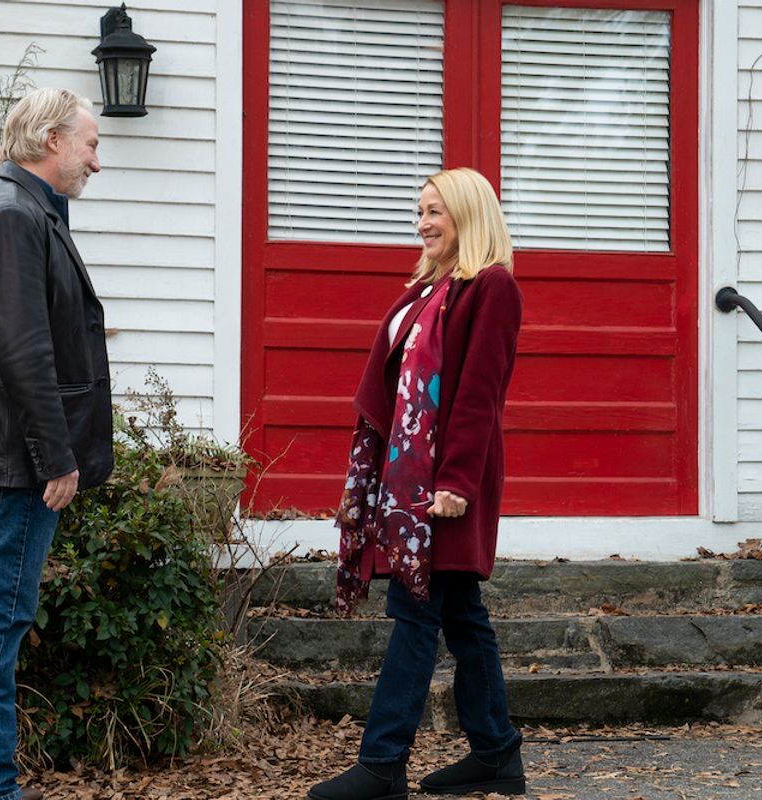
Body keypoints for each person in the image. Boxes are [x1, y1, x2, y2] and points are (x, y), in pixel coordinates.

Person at [309, 168, 526, 800]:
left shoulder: (492, 287)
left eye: (435, 211)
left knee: (415, 609)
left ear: (468, 215)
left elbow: (480, 391)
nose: (422, 223)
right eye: (420, 211)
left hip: (446, 483)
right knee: (461, 615)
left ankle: (382, 762)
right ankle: (496, 754)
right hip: (411, 479)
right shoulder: (429, 289)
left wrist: (455, 480)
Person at [0, 88, 113, 800]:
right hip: (17, 462)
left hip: (10, 454)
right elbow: (23, 348)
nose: (96, 161)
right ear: (51, 140)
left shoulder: (23, 209)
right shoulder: (14, 215)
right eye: (90, 144)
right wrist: (55, 455)